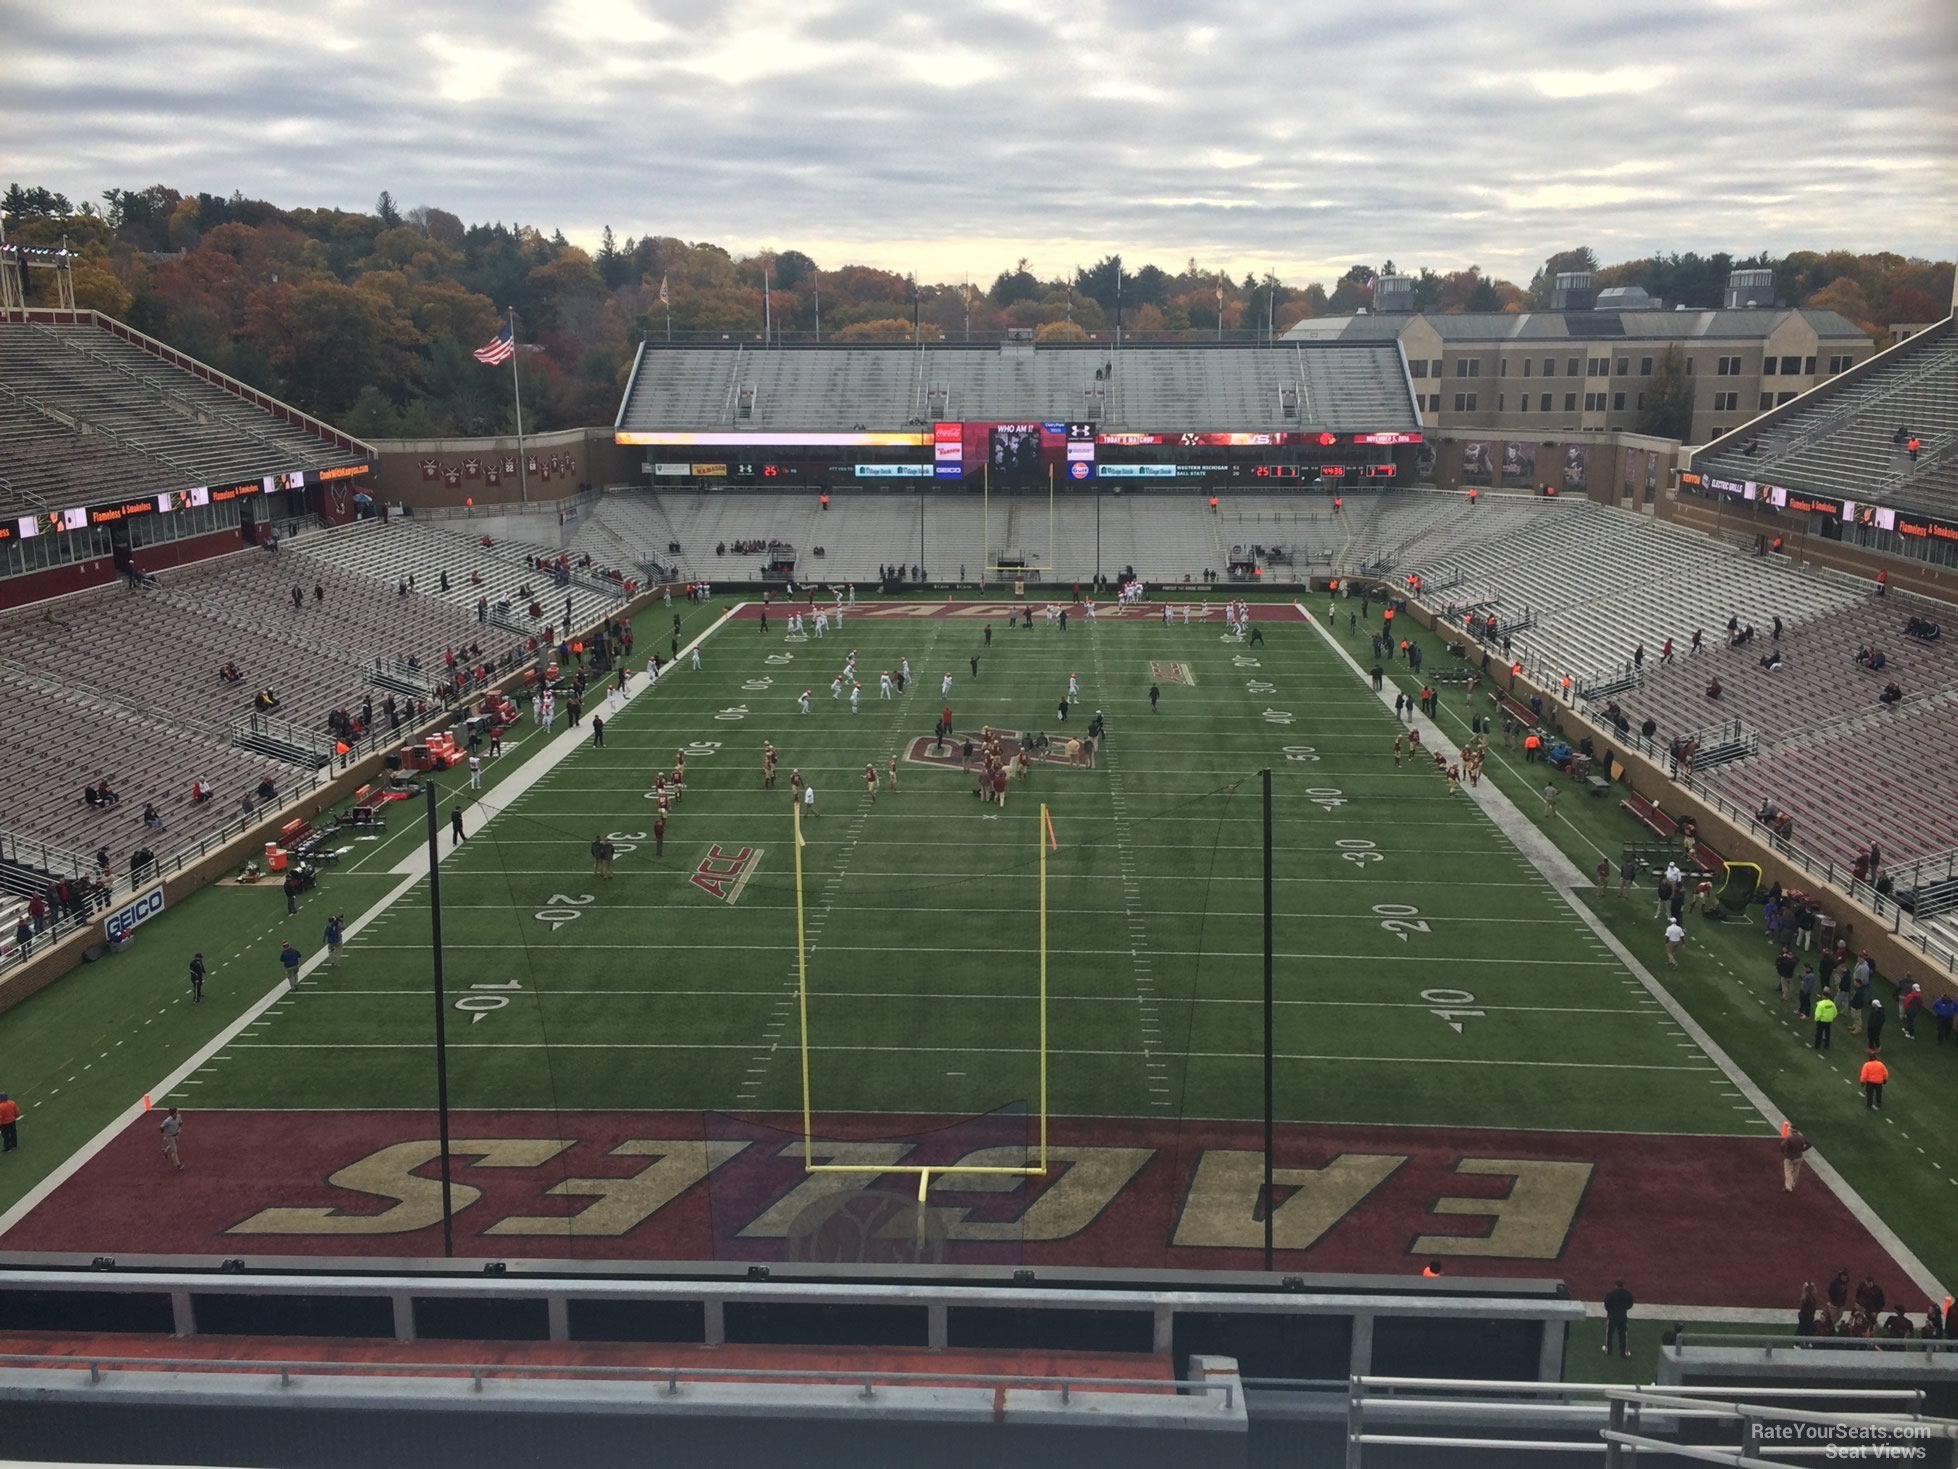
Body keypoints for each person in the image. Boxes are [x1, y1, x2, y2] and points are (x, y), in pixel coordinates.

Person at [1602, 1280, 1634, 1358]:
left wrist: (1610, 1310)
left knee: (1609, 1334)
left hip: (1612, 1316)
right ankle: (1622, 1353)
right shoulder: (1627, 1294)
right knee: (1623, 1335)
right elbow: (1630, 1304)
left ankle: (1609, 1350)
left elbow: (1606, 1303)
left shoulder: (1611, 1293)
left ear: (1615, 1285)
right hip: (1622, 1316)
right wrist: (1624, 1309)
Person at [1781, 1123, 1810, 1192]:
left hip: (1790, 1157)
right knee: (1796, 1171)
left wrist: (1785, 1153)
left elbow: (1783, 1146)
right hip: (1799, 1157)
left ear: (1791, 1130)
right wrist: (1803, 1149)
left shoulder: (1789, 1138)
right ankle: (1793, 1184)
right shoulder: (1802, 1138)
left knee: (1788, 1171)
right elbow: (1809, 1144)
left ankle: (1788, 1187)